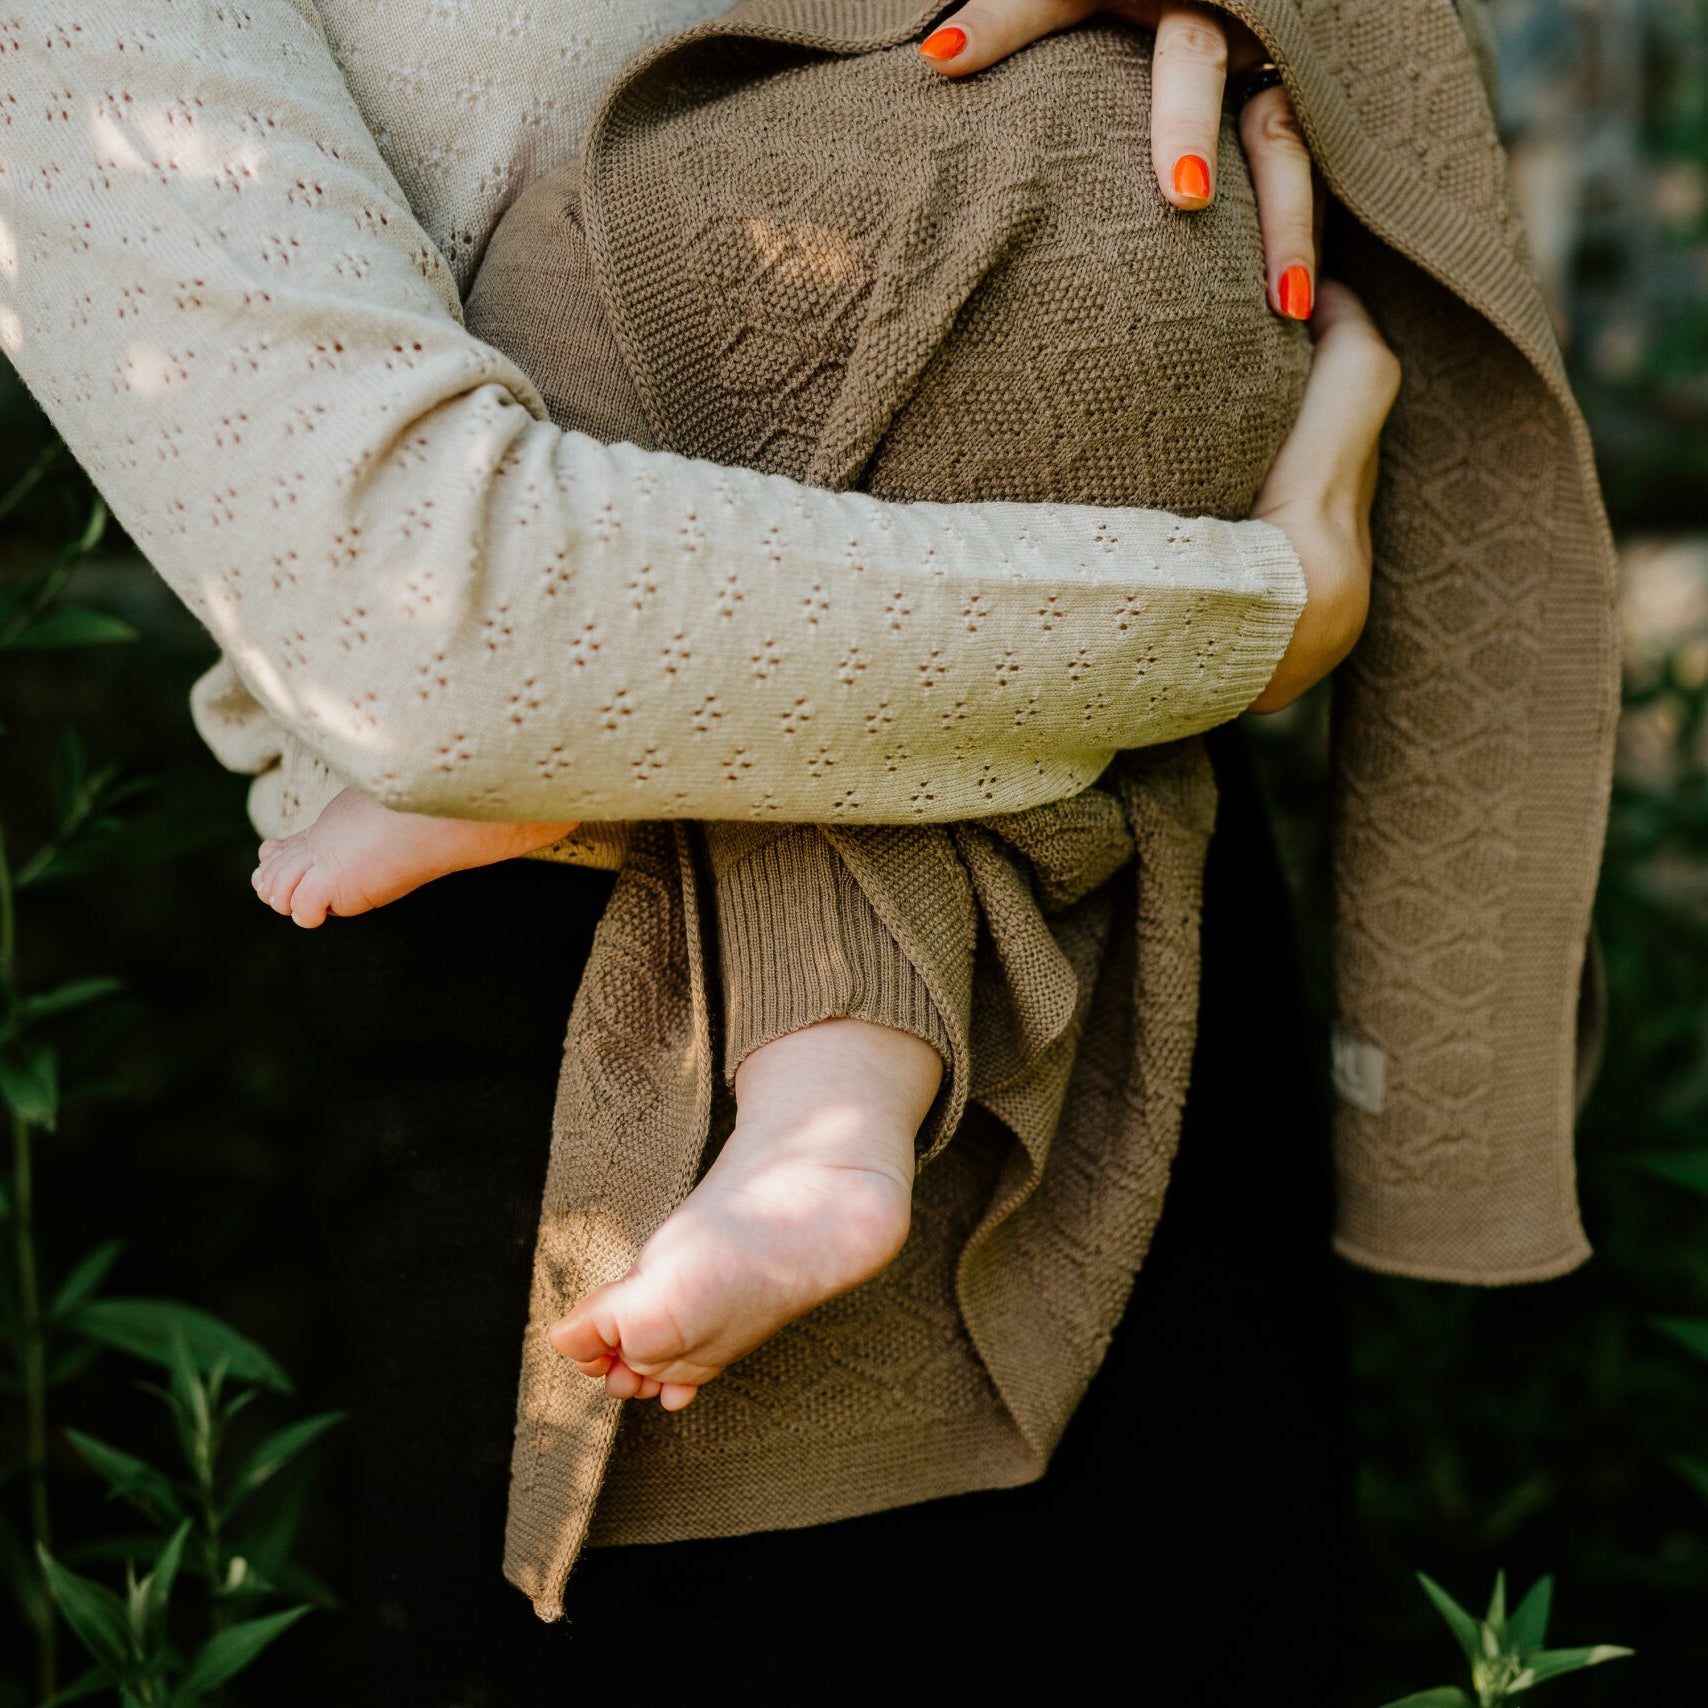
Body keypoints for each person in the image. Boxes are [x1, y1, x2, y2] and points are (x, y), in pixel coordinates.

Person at [3, 1, 1617, 1701]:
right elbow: (437, 624)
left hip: (1113, 882)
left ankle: (814, 1096)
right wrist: (1249, 615)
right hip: (596, 1004)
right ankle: (820, 1099)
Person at [248, 10, 1394, 1424]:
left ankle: (569, 761)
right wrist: (1259, 604)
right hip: (1175, 297)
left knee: (579, 265)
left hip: (1039, 211)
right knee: (852, 643)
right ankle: (827, 1131)